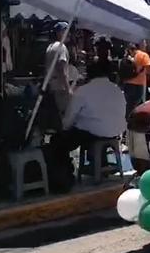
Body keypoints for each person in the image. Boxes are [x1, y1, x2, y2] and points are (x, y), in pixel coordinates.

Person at [47, 62, 127, 193]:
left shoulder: (83, 91)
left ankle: (65, 178)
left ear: (88, 75)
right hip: (116, 130)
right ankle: (101, 165)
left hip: (94, 132)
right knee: (91, 129)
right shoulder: (116, 89)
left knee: (58, 141)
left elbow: (67, 121)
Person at [122, 40, 150, 117]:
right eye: (144, 42)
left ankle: (125, 123)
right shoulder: (143, 55)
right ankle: (131, 125)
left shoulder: (128, 54)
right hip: (138, 86)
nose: (146, 44)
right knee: (137, 108)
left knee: (128, 106)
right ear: (140, 44)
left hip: (127, 85)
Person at [44, 22, 72, 119]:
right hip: (60, 87)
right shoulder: (61, 47)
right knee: (64, 114)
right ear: (60, 33)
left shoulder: (50, 47)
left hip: (52, 85)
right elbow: (61, 68)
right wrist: (68, 89)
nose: (69, 34)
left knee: (55, 115)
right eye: (66, 31)